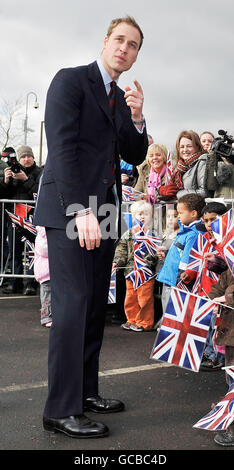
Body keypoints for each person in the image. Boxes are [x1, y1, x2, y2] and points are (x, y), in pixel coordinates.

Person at [33, 16, 148, 438]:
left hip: (105, 214)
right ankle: (60, 409)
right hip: (72, 212)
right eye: (119, 40)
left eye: (133, 45)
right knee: (73, 307)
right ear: (105, 42)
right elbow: (62, 148)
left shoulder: (118, 97)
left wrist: (138, 118)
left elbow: (134, 155)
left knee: (94, 309)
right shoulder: (71, 81)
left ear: (136, 55)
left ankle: (84, 393)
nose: (125, 48)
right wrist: (80, 210)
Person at [206, 206, 234, 446]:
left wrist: (227, 297)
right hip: (231, 330)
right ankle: (231, 408)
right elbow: (227, 278)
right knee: (233, 375)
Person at [180, 201, 228, 370]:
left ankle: (218, 358)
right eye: (205, 221)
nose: (208, 224)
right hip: (202, 289)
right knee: (206, 325)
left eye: (213, 220)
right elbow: (194, 263)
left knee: (218, 326)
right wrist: (189, 274)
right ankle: (208, 352)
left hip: (219, 292)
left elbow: (228, 267)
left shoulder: (227, 241)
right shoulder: (202, 240)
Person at [1, 145, 42, 294]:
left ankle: (31, 283)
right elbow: (3, 194)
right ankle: (14, 282)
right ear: (19, 159)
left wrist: (25, 179)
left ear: (33, 157)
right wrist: (6, 180)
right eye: (23, 157)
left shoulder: (40, 173)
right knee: (14, 250)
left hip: (33, 217)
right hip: (14, 217)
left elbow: (39, 193)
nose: (26, 159)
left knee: (32, 251)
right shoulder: (12, 172)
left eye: (28, 156)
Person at [113, 200, 157, 332]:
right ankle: (131, 320)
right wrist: (117, 262)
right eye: (140, 214)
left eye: (147, 214)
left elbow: (155, 252)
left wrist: (151, 259)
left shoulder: (153, 235)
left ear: (152, 216)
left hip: (146, 272)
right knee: (130, 297)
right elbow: (122, 250)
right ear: (133, 215)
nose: (143, 217)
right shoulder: (129, 234)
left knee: (145, 298)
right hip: (130, 271)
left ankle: (144, 322)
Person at [156, 194, 206, 309]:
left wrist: (179, 283)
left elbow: (187, 261)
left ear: (193, 214)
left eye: (181, 213)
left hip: (176, 282)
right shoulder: (186, 231)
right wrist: (167, 254)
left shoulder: (193, 234)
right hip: (171, 278)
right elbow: (180, 253)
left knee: (171, 317)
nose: (178, 216)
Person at [157, 130, 209, 200]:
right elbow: (171, 191)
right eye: (182, 147)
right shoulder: (179, 168)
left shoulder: (202, 162)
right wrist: (160, 191)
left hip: (197, 209)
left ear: (197, 147)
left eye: (189, 146)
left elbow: (204, 193)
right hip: (182, 209)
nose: (185, 150)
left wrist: (178, 194)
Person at [211, 132, 234, 199]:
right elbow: (209, 186)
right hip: (223, 207)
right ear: (233, 147)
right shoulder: (219, 163)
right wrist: (212, 155)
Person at [34, 226, 52, 327]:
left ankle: (53, 315)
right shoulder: (42, 234)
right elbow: (43, 250)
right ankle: (45, 317)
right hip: (45, 272)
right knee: (47, 297)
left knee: (53, 296)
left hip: (53, 271)